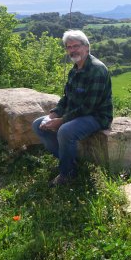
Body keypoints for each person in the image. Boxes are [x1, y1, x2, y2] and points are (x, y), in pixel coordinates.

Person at [32, 30, 113, 186]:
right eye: (69, 47)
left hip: (97, 116)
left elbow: (90, 106)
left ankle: (67, 175)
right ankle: (70, 162)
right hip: (76, 115)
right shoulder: (74, 70)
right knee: (38, 124)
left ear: (87, 47)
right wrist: (54, 114)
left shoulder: (97, 69)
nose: (73, 50)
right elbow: (67, 98)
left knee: (65, 130)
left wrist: (62, 121)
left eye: (76, 46)